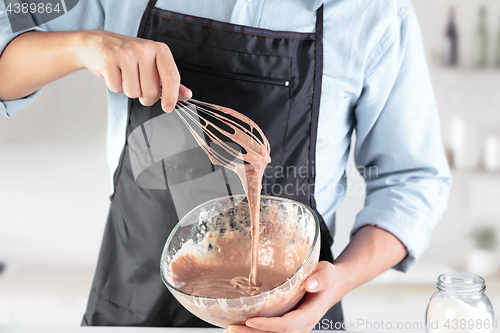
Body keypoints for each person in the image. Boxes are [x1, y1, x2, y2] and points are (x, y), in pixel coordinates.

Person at [0, 0, 451, 331]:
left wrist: (339, 281)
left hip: (292, 318)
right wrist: (84, 45)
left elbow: (412, 182)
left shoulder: (374, 14)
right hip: (133, 307)